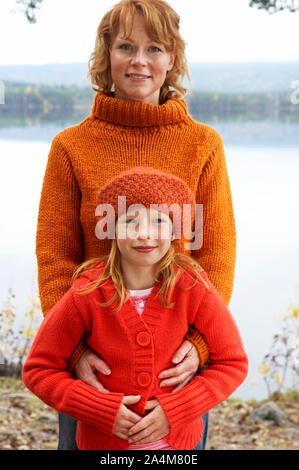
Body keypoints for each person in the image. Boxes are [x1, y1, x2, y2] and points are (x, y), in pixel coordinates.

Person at [35, 0, 236, 449]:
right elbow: (54, 259)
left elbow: (215, 257)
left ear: (173, 59)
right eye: (126, 46)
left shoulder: (204, 144)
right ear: (106, 55)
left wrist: (201, 346)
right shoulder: (71, 147)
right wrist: (74, 350)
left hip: (175, 375)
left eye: (155, 48)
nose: (140, 61)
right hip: (94, 375)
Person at [24, 168, 247, 451]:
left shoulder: (192, 287)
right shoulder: (87, 292)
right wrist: (98, 409)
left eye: (158, 221)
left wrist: (177, 409)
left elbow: (232, 363)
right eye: (130, 220)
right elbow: (39, 370)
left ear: (175, 230)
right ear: (110, 228)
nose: (144, 233)